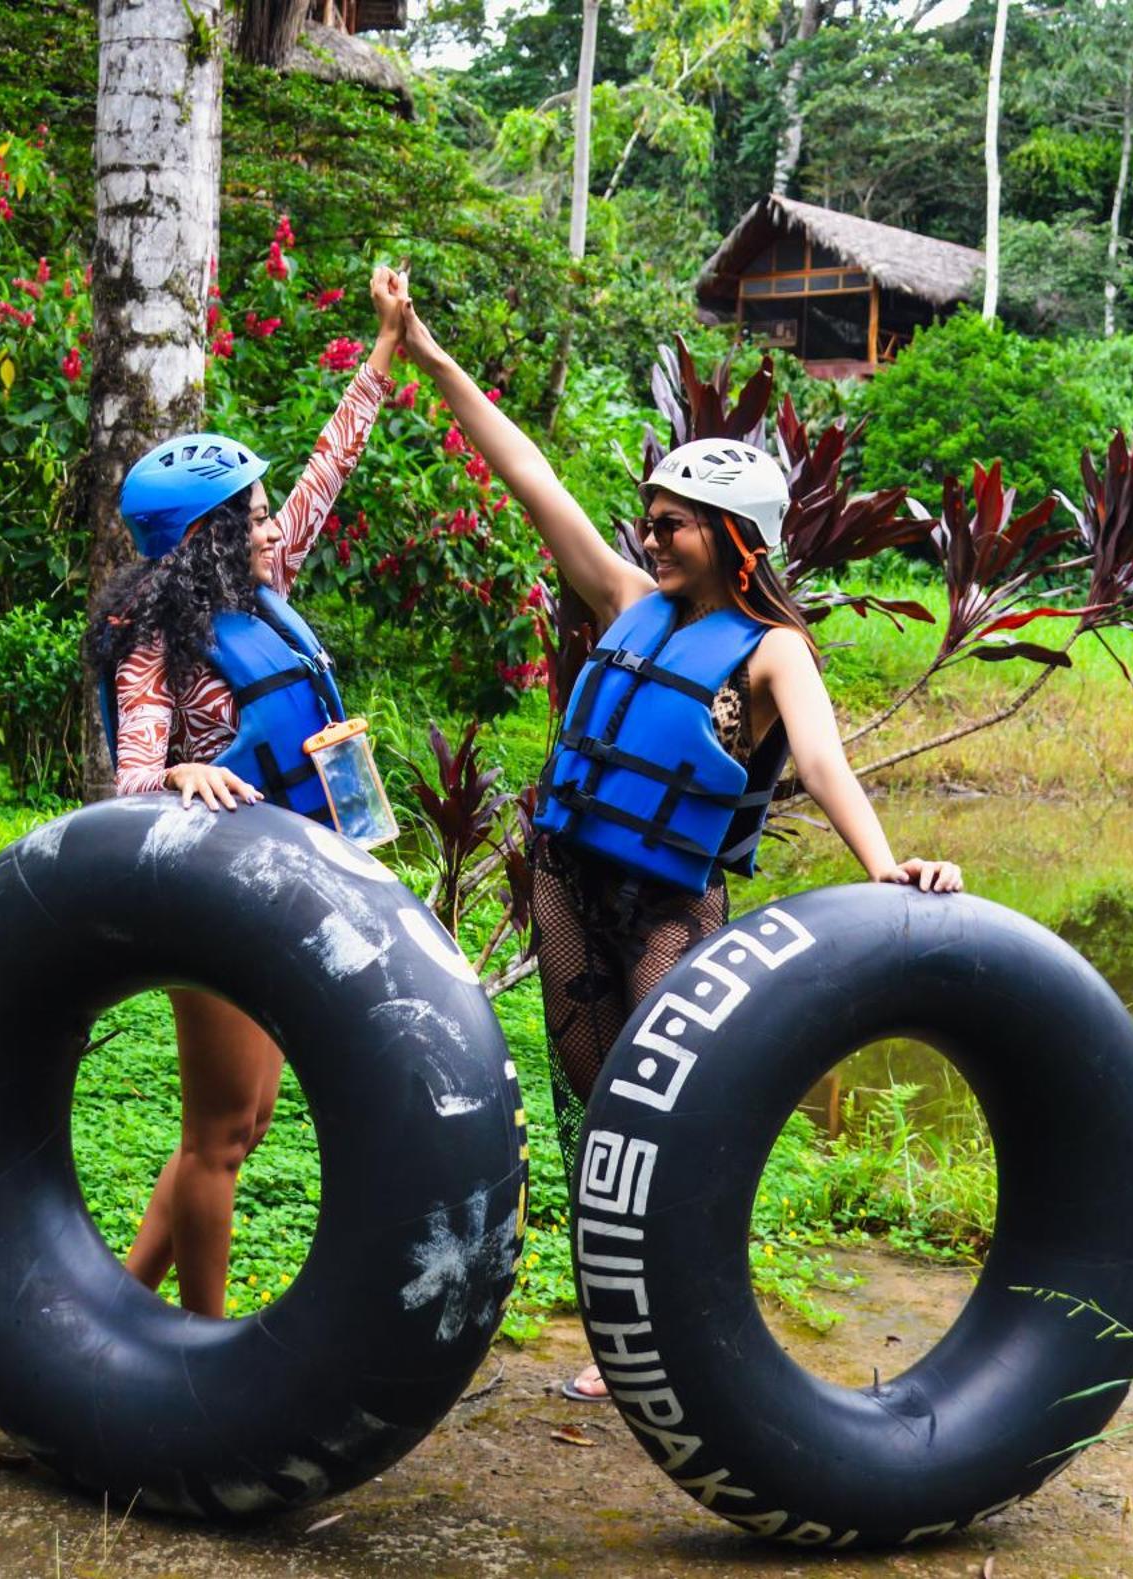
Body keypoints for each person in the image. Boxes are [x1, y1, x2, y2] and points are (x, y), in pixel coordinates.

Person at [398, 296, 962, 1400]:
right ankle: (622, 1341)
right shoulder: (622, 603)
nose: (649, 538)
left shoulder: (771, 652)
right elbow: (530, 480)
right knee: (598, 1118)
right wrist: (431, 354)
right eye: (649, 519)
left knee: (665, 1116)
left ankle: (694, 1326)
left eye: (675, 523)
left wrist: (886, 866)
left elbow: (821, 767)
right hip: (568, 882)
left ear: (735, 538)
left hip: (665, 902)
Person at [90, 266, 408, 1317]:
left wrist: (383, 351)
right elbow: (133, 778)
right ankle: (202, 1346)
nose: (278, 527)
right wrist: (177, 766)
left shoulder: (262, 591)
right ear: (210, 538)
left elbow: (330, 468)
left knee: (240, 1124)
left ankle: (116, 1310)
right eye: (256, 518)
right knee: (218, 1135)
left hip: (293, 879)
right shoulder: (152, 641)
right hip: (214, 896)